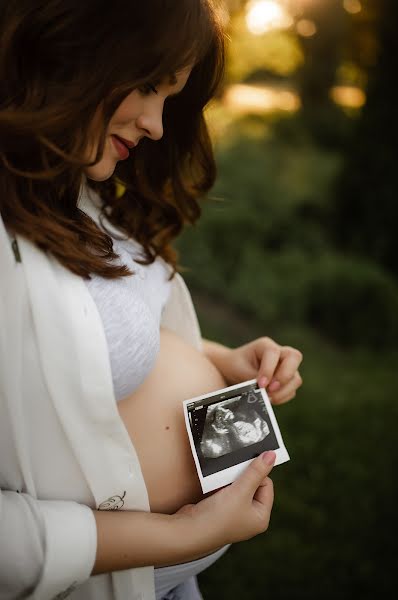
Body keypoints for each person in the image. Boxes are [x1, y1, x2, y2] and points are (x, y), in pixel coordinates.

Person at [0, 1, 303, 599]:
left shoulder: (71, 187)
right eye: (147, 87)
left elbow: (97, 346)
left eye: (170, 98)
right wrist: (183, 532)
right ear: (64, 45)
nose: (158, 126)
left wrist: (218, 358)